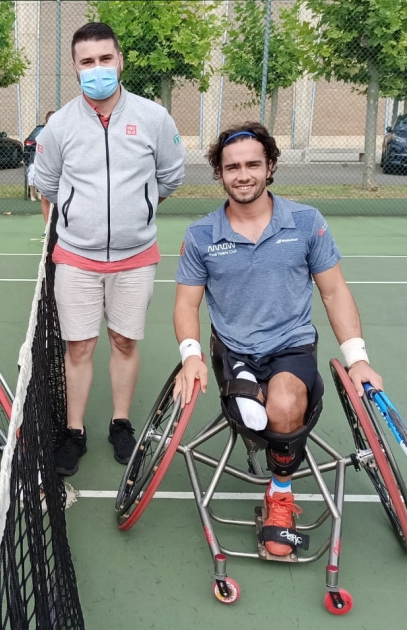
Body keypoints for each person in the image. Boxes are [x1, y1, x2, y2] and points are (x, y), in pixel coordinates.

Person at [172, 122, 383, 557]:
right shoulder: (200, 236)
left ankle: (280, 495)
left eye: (252, 164)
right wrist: (190, 355)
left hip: (291, 346)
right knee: (253, 418)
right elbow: (185, 305)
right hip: (233, 350)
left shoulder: (306, 222)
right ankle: (267, 435)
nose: (242, 175)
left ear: (270, 167)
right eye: (232, 167)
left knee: (284, 407)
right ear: (219, 173)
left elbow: (334, 291)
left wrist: (357, 358)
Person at [34, 22, 186, 476]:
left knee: (124, 340)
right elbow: (45, 184)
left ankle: (121, 424)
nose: (97, 68)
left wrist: (135, 211)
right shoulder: (59, 125)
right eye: (87, 62)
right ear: (75, 69)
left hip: (135, 256)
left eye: (105, 59)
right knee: (78, 347)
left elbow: (170, 176)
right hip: (76, 258)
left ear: (120, 61)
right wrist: (75, 224)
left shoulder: (155, 118)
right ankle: (74, 432)